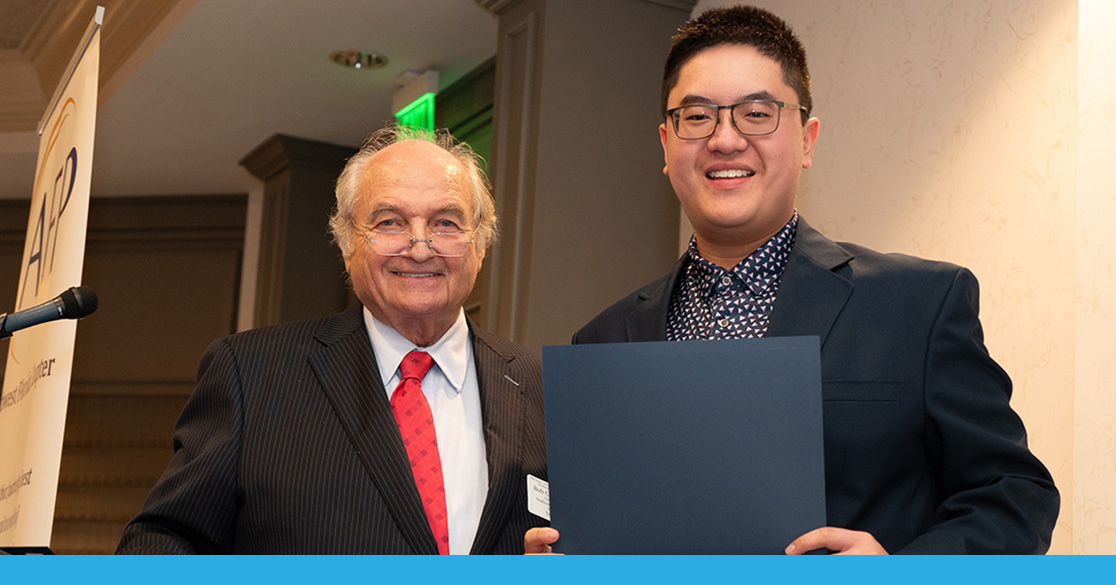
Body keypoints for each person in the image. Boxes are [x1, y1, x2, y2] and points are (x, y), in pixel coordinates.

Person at [527, 5, 1057, 555]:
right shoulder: (603, 340)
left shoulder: (918, 305)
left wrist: (898, 572)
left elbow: (1016, 495)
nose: (725, 139)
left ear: (806, 139)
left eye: (757, 113)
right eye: (697, 116)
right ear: (666, 144)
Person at [118, 126, 547, 554]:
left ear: (482, 244)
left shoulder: (543, 388)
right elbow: (164, 541)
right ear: (347, 242)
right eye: (390, 222)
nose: (419, 248)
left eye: (446, 223)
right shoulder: (250, 374)